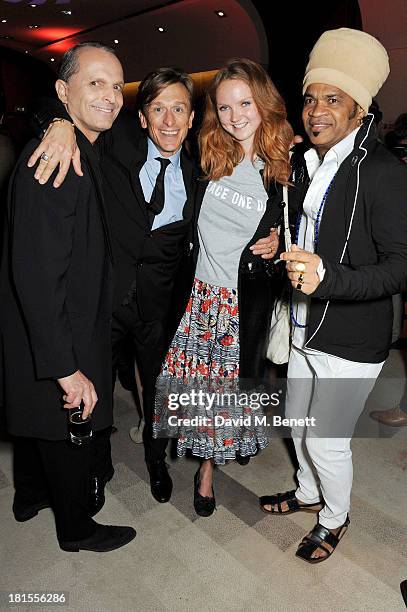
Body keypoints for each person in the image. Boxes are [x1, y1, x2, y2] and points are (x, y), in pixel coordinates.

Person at [27, 65, 277, 505]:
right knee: (95, 386)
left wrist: (276, 235)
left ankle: (157, 462)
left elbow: (270, 210)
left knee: (160, 390)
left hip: (163, 307)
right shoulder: (117, 145)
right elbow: (58, 103)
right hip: (103, 300)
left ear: (193, 118)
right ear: (140, 118)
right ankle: (97, 467)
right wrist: (58, 123)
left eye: (178, 109)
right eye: (157, 109)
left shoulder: (205, 162)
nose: (168, 121)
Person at [259, 28, 407, 563]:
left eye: (333, 99)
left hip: (351, 337)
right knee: (298, 424)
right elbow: (314, 231)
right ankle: (306, 493)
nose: (316, 111)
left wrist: (330, 279)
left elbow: (399, 268)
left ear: (360, 108)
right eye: (311, 98)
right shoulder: (311, 162)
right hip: (303, 325)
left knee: (326, 439)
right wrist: (284, 240)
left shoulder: (384, 173)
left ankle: (334, 517)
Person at [0, 42, 136, 551]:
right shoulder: (56, 162)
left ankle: (29, 495)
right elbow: (37, 275)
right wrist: (65, 367)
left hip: (52, 319)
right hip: (58, 325)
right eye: (94, 83)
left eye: (115, 84)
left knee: (36, 416)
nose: (109, 95)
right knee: (64, 425)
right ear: (63, 92)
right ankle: (77, 530)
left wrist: (54, 122)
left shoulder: (78, 143)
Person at [153, 58, 293, 517]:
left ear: (262, 102)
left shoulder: (284, 168)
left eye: (245, 103)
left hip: (241, 301)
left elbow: (307, 232)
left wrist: (282, 240)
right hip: (197, 296)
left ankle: (209, 465)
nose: (235, 116)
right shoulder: (207, 152)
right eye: (225, 106)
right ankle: (206, 470)